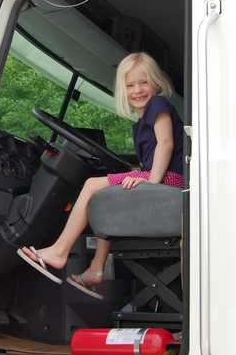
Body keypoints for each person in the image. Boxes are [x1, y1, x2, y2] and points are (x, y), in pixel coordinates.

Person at [17, 52, 184, 298]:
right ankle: (96, 269)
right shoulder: (141, 120)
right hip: (161, 178)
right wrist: (141, 173)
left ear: (156, 82)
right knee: (108, 193)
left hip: (172, 181)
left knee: (92, 185)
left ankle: (59, 251)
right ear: (123, 89)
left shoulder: (158, 105)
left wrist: (151, 181)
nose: (137, 90)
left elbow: (166, 144)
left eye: (144, 82)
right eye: (130, 85)